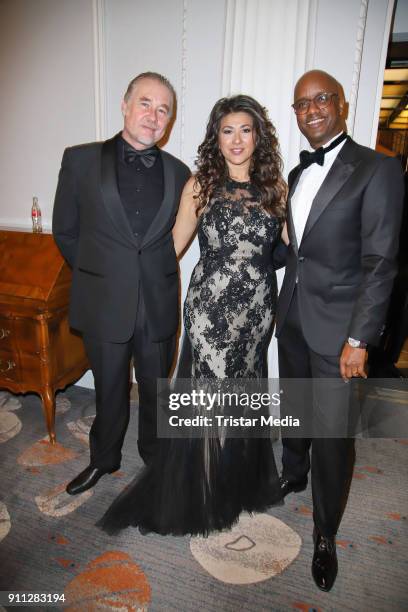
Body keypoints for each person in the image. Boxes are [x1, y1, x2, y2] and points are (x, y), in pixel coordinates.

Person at [96, 94, 286, 536]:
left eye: (245, 129)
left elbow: (296, 246)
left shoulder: (277, 188)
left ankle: (233, 482)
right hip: (211, 312)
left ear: (258, 136)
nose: (236, 140)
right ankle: (202, 490)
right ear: (215, 138)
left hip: (256, 313)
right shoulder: (201, 185)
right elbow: (172, 247)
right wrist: (126, 278)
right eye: (227, 130)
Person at [274, 70, 404, 591]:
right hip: (295, 318)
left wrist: (358, 340)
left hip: (340, 331)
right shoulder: (297, 173)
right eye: (301, 103)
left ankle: (325, 531)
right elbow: (296, 250)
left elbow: (380, 262)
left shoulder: (378, 168)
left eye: (321, 99)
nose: (311, 109)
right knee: (295, 406)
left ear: (342, 104)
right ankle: (292, 471)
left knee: (333, 435)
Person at [52, 72, 191, 495]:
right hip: (103, 301)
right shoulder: (79, 160)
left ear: (169, 121)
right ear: (125, 105)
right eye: (146, 103)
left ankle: (155, 458)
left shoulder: (180, 172)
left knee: (156, 390)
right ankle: (103, 460)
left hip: (157, 300)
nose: (153, 115)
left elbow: (176, 237)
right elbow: (66, 231)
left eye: (163, 109)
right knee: (109, 388)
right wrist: (101, 276)